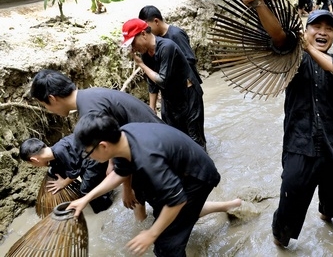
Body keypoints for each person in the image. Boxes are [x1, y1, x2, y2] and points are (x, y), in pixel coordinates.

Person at [240, 0, 333, 247]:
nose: (323, 32)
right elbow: (278, 34)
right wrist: (259, 4)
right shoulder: (292, 57)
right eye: (317, 26)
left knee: (332, 211)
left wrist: (309, 47)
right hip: (299, 145)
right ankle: (280, 236)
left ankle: (327, 214)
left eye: (329, 28)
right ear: (306, 30)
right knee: (286, 224)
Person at [67, 112, 241, 256]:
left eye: (88, 153)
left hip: (197, 178)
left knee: (166, 245)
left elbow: (177, 201)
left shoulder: (147, 158)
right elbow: (119, 173)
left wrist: (151, 234)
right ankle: (231, 205)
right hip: (180, 170)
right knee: (173, 215)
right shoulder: (123, 136)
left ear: (103, 146)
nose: (89, 158)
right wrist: (86, 199)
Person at [29, 69, 165, 219]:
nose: (49, 110)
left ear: (52, 98)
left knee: (168, 210)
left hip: (155, 154)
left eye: (45, 105)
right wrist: (112, 165)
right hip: (154, 140)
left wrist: (126, 187)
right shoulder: (90, 97)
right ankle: (141, 225)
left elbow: (122, 151)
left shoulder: (90, 112)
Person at [122, 18, 207, 151]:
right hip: (169, 100)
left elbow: (162, 79)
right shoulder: (146, 54)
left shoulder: (167, 47)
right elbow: (152, 82)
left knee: (196, 143)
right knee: (174, 141)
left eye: (133, 42)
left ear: (143, 34)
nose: (133, 48)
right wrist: (152, 107)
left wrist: (141, 65)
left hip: (188, 98)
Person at [19, 135, 112, 213]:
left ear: (34, 160)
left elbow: (74, 173)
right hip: (88, 158)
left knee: (85, 189)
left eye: (31, 164)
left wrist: (63, 183)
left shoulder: (60, 151)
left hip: (95, 159)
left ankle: (105, 209)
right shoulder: (55, 151)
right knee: (90, 181)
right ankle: (107, 192)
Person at [138, 5, 203, 85]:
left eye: (147, 27)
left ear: (156, 21)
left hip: (187, 85)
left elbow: (190, 59)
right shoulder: (155, 38)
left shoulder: (176, 34)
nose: (147, 31)